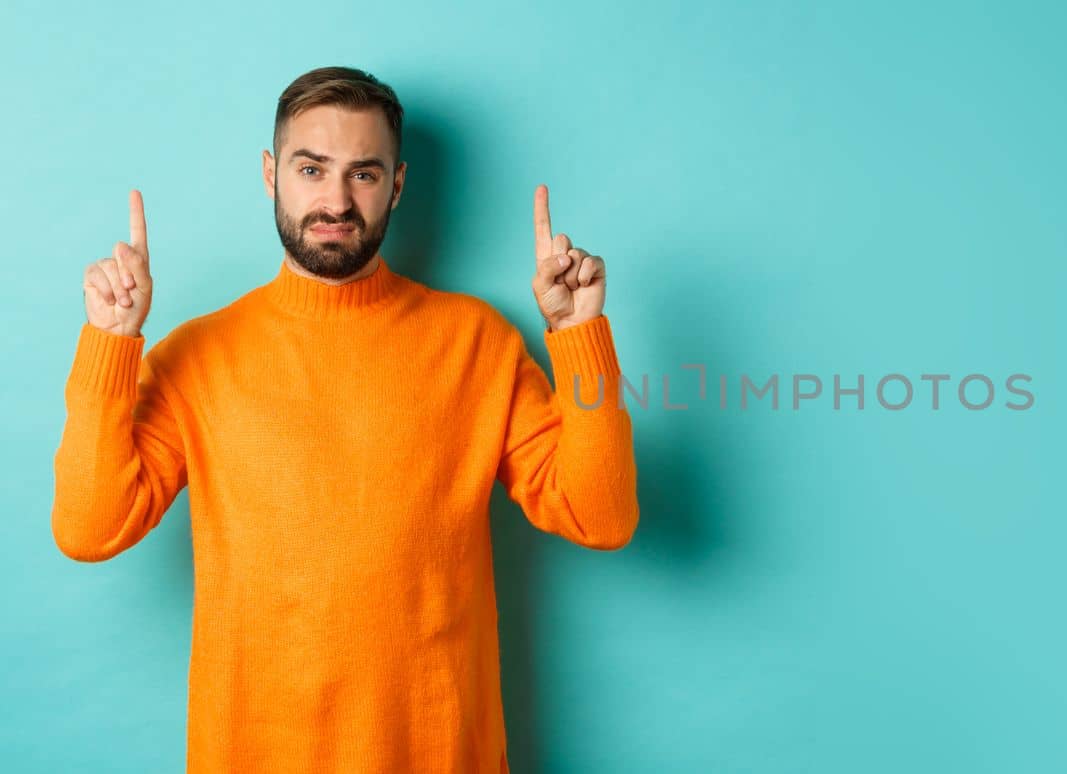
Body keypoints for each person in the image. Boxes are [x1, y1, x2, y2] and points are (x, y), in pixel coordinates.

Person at [51, 65, 638, 773]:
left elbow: (601, 516)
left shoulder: (477, 341)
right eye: (311, 168)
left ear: (396, 185)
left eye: (363, 173)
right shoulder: (199, 356)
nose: (335, 200)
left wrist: (578, 337)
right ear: (271, 174)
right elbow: (88, 528)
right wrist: (111, 343)